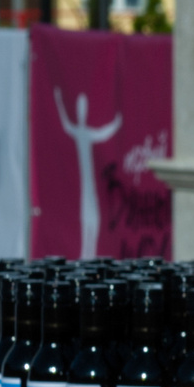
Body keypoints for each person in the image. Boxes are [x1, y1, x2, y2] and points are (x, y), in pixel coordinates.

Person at [54, 89, 120, 260]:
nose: (82, 110)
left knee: (94, 218)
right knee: (87, 218)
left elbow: (105, 132)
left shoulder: (88, 133)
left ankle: (89, 258)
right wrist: (59, 99)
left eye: (84, 107)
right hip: (84, 185)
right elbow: (65, 123)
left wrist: (117, 123)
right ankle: (85, 258)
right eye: (79, 107)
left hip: (91, 185)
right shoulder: (79, 132)